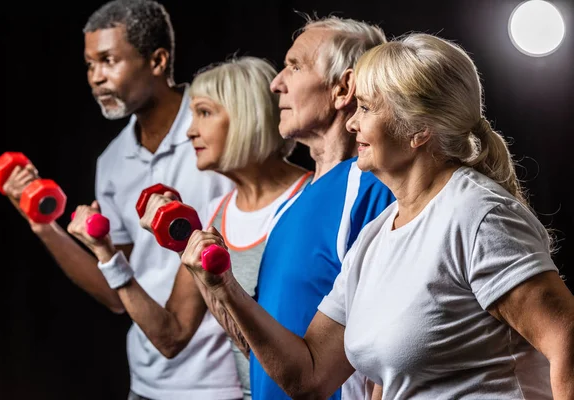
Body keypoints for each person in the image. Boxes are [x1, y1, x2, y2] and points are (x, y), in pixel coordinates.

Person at [181, 32, 574, 399]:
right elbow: (310, 375)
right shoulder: (375, 236)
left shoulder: (478, 215)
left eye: (366, 108)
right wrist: (223, 286)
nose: (352, 122)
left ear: (418, 129)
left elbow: (567, 338)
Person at [1, 0, 241, 399]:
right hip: (146, 382)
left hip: (221, 382)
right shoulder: (112, 161)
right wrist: (43, 226)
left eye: (109, 61)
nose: (96, 78)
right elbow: (117, 291)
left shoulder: (218, 135)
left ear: (158, 60)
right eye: (90, 65)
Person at [70, 55, 313, 400]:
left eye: (204, 113)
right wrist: (106, 253)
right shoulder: (217, 214)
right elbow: (172, 336)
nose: (190, 130)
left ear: (246, 115)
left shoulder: (313, 198)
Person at [183, 14, 395, 400]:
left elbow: (392, 346)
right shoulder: (293, 205)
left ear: (343, 88)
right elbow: (260, 348)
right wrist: (209, 278)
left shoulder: (370, 187)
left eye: (294, 66)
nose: (275, 82)